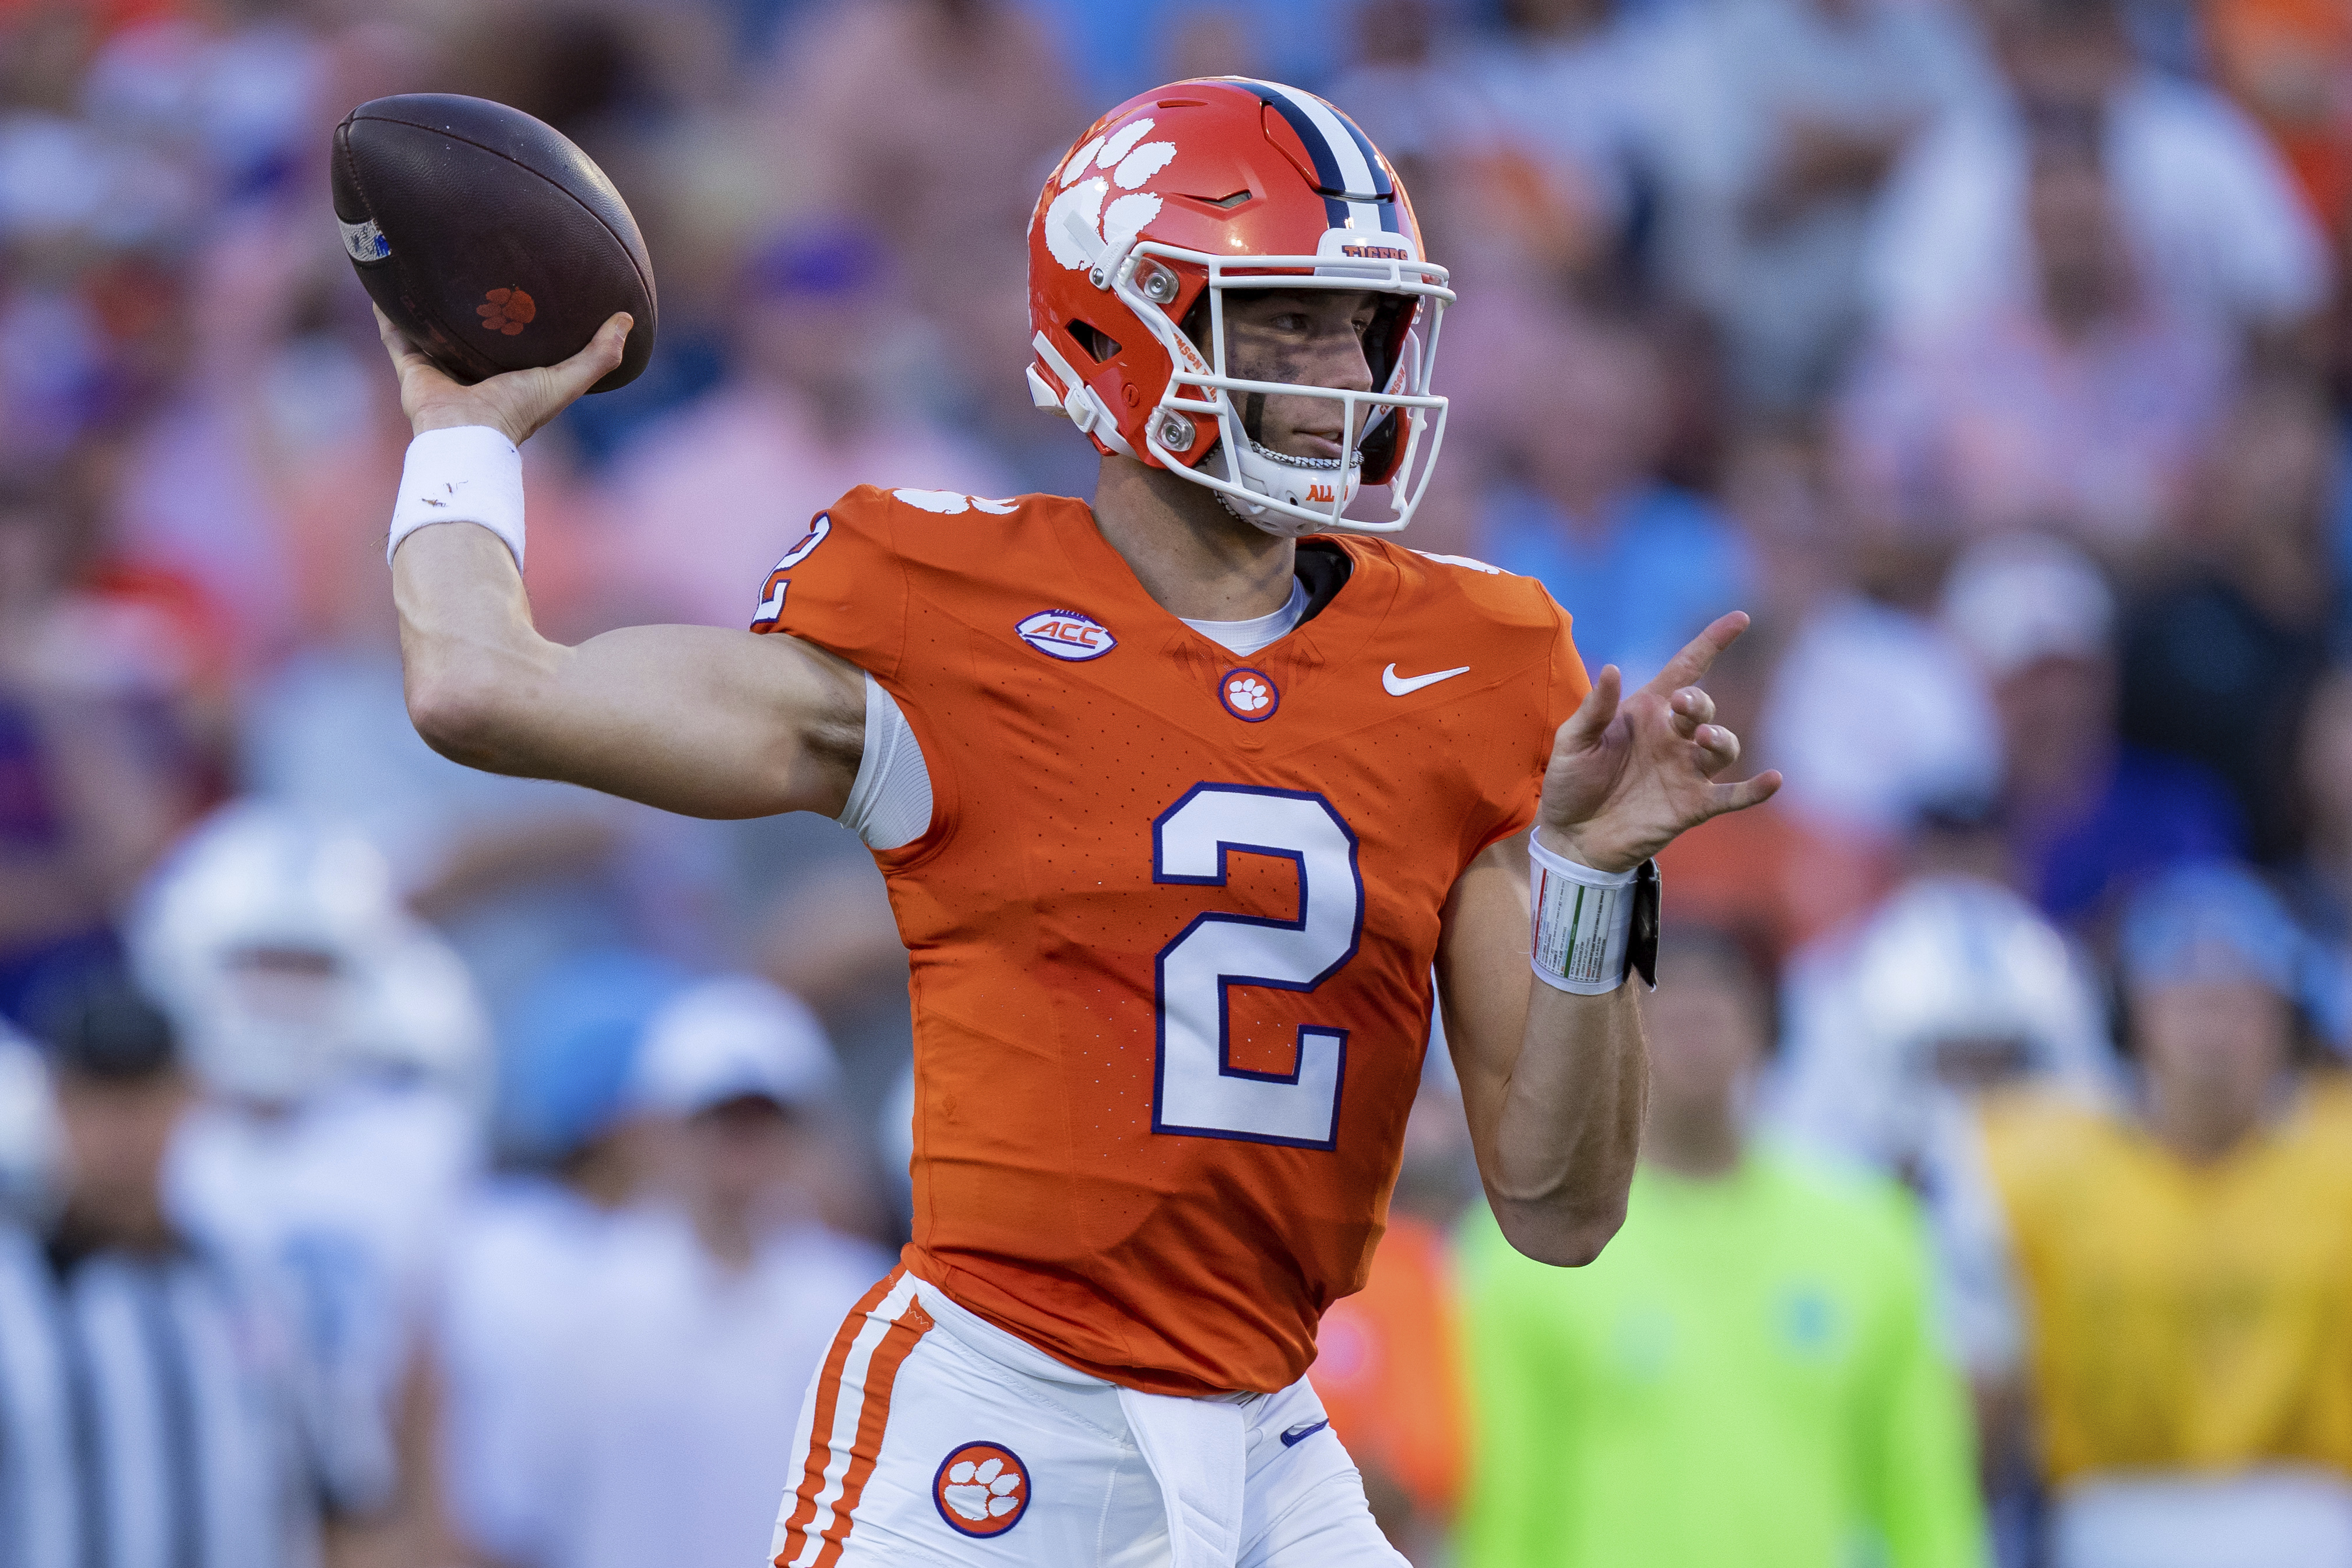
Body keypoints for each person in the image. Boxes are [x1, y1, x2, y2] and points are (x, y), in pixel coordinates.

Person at [372, 77, 1777, 1566]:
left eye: (1355, 326)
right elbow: (483, 685)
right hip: (995, 1404)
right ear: (1120, 326)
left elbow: (1561, 1207)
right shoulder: (950, 610)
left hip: (1270, 1433)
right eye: (1282, 320)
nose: (1339, 373)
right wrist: (463, 437)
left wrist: (1588, 880)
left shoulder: (1479, 659)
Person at [1459, 926, 1987, 1567]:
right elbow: (1507, 1505)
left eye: (1718, 1001)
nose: (1694, 1023)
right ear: (1614, 1036)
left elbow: (1925, 1492)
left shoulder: (1872, 1234)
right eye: (1668, 1004)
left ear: (1765, 1033)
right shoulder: (1530, 1247)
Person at [1980, 862, 2352, 1567]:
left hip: (2316, 1518)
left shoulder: (2340, 1156)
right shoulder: (2035, 1163)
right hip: (2111, 1520)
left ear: (2284, 1020)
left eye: (2239, 1004)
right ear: (2134, 1014)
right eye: (2187, 1001)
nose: (2213, 1033)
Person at [0, 966, 389, 1568]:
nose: (121, 1131)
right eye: (96, 1099)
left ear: (188, 1098)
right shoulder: (13, 1300)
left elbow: (346, 1496)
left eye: (143, 1098)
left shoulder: (259, 1290)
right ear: (56, 1104)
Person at [529, 976, 896, 1568]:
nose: (738, 1145)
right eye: (717, 1119)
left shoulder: (859, 1307)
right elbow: (528, 1515)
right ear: (661, 1131)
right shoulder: (582, 1302)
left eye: (762, 1120)